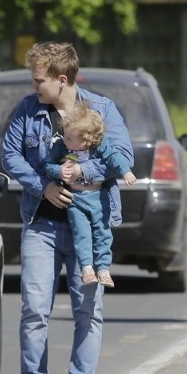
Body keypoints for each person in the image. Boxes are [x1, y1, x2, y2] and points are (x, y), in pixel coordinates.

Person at [1, 42, 132, 374]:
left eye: (38, 80)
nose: (33, 87)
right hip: (41, 225)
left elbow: (122, 157)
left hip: (88, 227)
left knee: (87, 309)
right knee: (34, 308)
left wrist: (80, 172)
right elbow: (10, 154)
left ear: (61, 79)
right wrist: (42, 185)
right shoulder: (29, 110)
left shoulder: (102, 109)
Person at [45, 101, 136, 288]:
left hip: (98, 198)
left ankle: (103, 269)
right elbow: (48, 165)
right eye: (65, 135)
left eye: (69, 137)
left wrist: (125, 172)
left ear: (85, 141)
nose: (64, 139)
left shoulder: (99, 147)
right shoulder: (62, 147)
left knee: (103, 233)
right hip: (75, 200)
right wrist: (58, 172)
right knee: (82, 234)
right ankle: (86, 268)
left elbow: (114, 157)